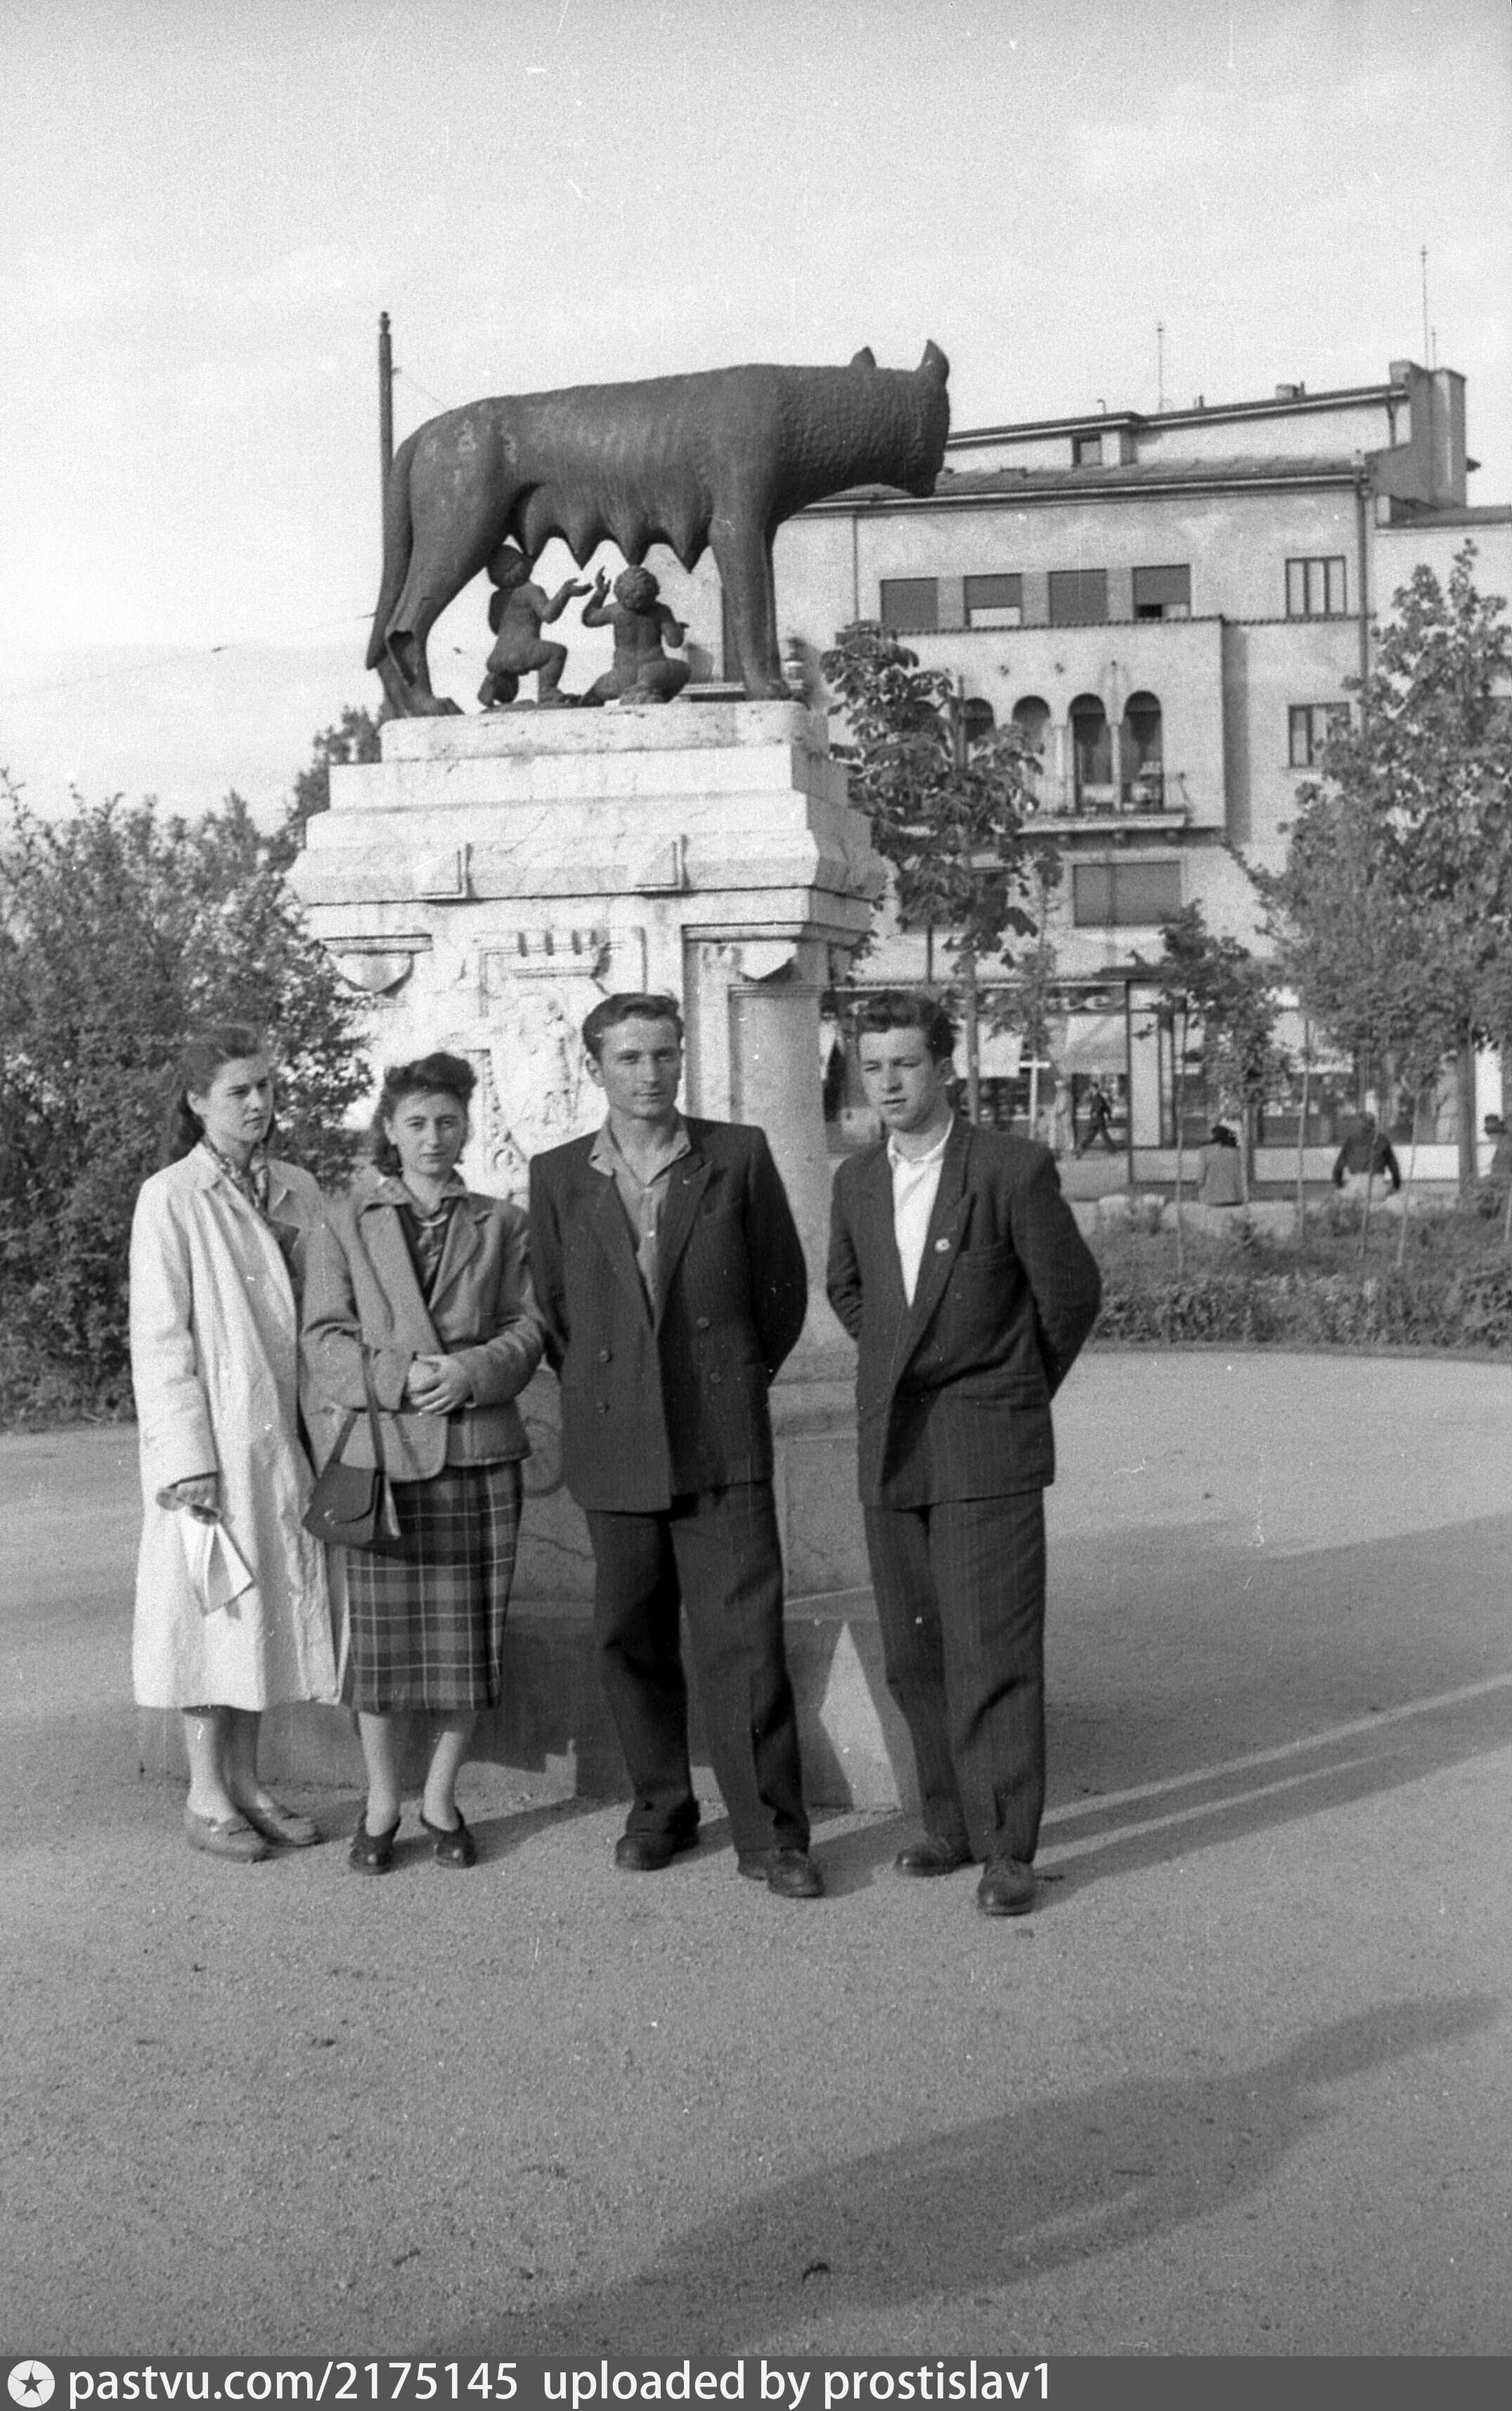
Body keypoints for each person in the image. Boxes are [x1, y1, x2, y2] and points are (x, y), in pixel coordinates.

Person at [528, 993, 820, 1899]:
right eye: (628, 1058)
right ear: (596, 1068)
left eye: (663, 1054)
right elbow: (560, 1310)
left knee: (744, 1642)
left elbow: (781, 1293)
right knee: (632, 1635)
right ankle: (661, 1806)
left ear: (683, 1057)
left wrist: (724, 1384)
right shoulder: (557, 1174)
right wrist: (620, 1393)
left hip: (719, 1438)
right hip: (615, 1437)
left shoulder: (737, 1155)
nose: (649, 1074)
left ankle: (771, 1833)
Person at [827, 991, 1102, 1918]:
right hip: (891, 1446)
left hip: (986, 1445)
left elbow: (1069, 1295)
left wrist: (1006, 1391)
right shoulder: (855, 1180)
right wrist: (898, 1365)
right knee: (916, 1654)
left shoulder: (1009, 1169)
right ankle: (947, 1825)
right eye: (873, 1066)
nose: (888, 1083)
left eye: (905, 1063)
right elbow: (849, 1290)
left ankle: (1006, 1848)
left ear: (944, 1067)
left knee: (992, 1649)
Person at [303, 1054, 544, 1874]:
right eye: (416, 1123)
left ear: (467, 1126)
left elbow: (528, 1327)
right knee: (382, 1649)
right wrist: (399, 1377)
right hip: (385, 1457)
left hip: (478, 1451)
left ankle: (441, 1798)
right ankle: (381, 1802)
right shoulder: (343, 1220)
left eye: (447, 1121)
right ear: (390, 1130)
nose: (433, 1137)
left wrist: (471, 1372)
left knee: (466, 1642)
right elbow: (323, 1338)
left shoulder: (503, 1222)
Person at [130, 1026, 337, 1863]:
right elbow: (160, 1338)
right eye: (238, 1091)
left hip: (281, 1436)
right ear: (197, 1101)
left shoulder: (296, 1187)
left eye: (265, 1087)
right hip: (212, 1444)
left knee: (263, 1615)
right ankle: (204, 1793)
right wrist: (187, 1461)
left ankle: (248, 1784)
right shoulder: (171, 1196)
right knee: (212, 1610)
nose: (258, 1103)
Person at [476, 542, 590, 709]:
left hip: (496, 658)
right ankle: (547, 691)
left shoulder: (497, 597)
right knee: (557, 653)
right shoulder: (530, 590)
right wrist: (565, 593)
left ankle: (492, 681)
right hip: (521, 651)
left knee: (509, 694)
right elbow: (548, 615)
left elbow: (494, 627)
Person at [581, 566, 690, 704]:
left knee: (592, 697)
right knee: (685, 670)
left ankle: (638, 693)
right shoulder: (661, 610)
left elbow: (589, 619)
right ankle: (650, 692)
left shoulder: (615, 610)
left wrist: (600, 593)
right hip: (653, 671)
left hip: (621, 676)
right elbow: (675, 642)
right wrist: (678, 628)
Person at [1331, 1113, 1401, 1198]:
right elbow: (1394, 1167)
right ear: (1374, 1125)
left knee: (1337, 1195)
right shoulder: (1382, 1139)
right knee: (1392, 1194)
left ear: (1358, 1125)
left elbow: (1338, 1168)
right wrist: (1396, 1186)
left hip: (1356, 1187)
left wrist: (1339, 1185)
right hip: (1377, 1187)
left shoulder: (1351, 1141)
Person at [1197, 1121, 1245, 1207]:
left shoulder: (1206, 1151)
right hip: (1234, 1197)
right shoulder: (1236, 1152)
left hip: (1212, 1198)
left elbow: (1202, 1175)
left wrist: (1199, 1186)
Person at [1075, 1078, 1118, 1154]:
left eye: (1091, 1088)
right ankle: (1082, 1148)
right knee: (1094, 1136)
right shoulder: (1097, 1097)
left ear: (1094, 1088)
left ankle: (1112, 1149)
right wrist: (1109, 1116)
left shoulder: (1098, 1097)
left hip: (1098, 1120)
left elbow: (1100, 1105)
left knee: (1102, 1136)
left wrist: (1096, 1112)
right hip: (1096, 1121)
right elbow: (1106, 1107)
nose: (1090, 1090)